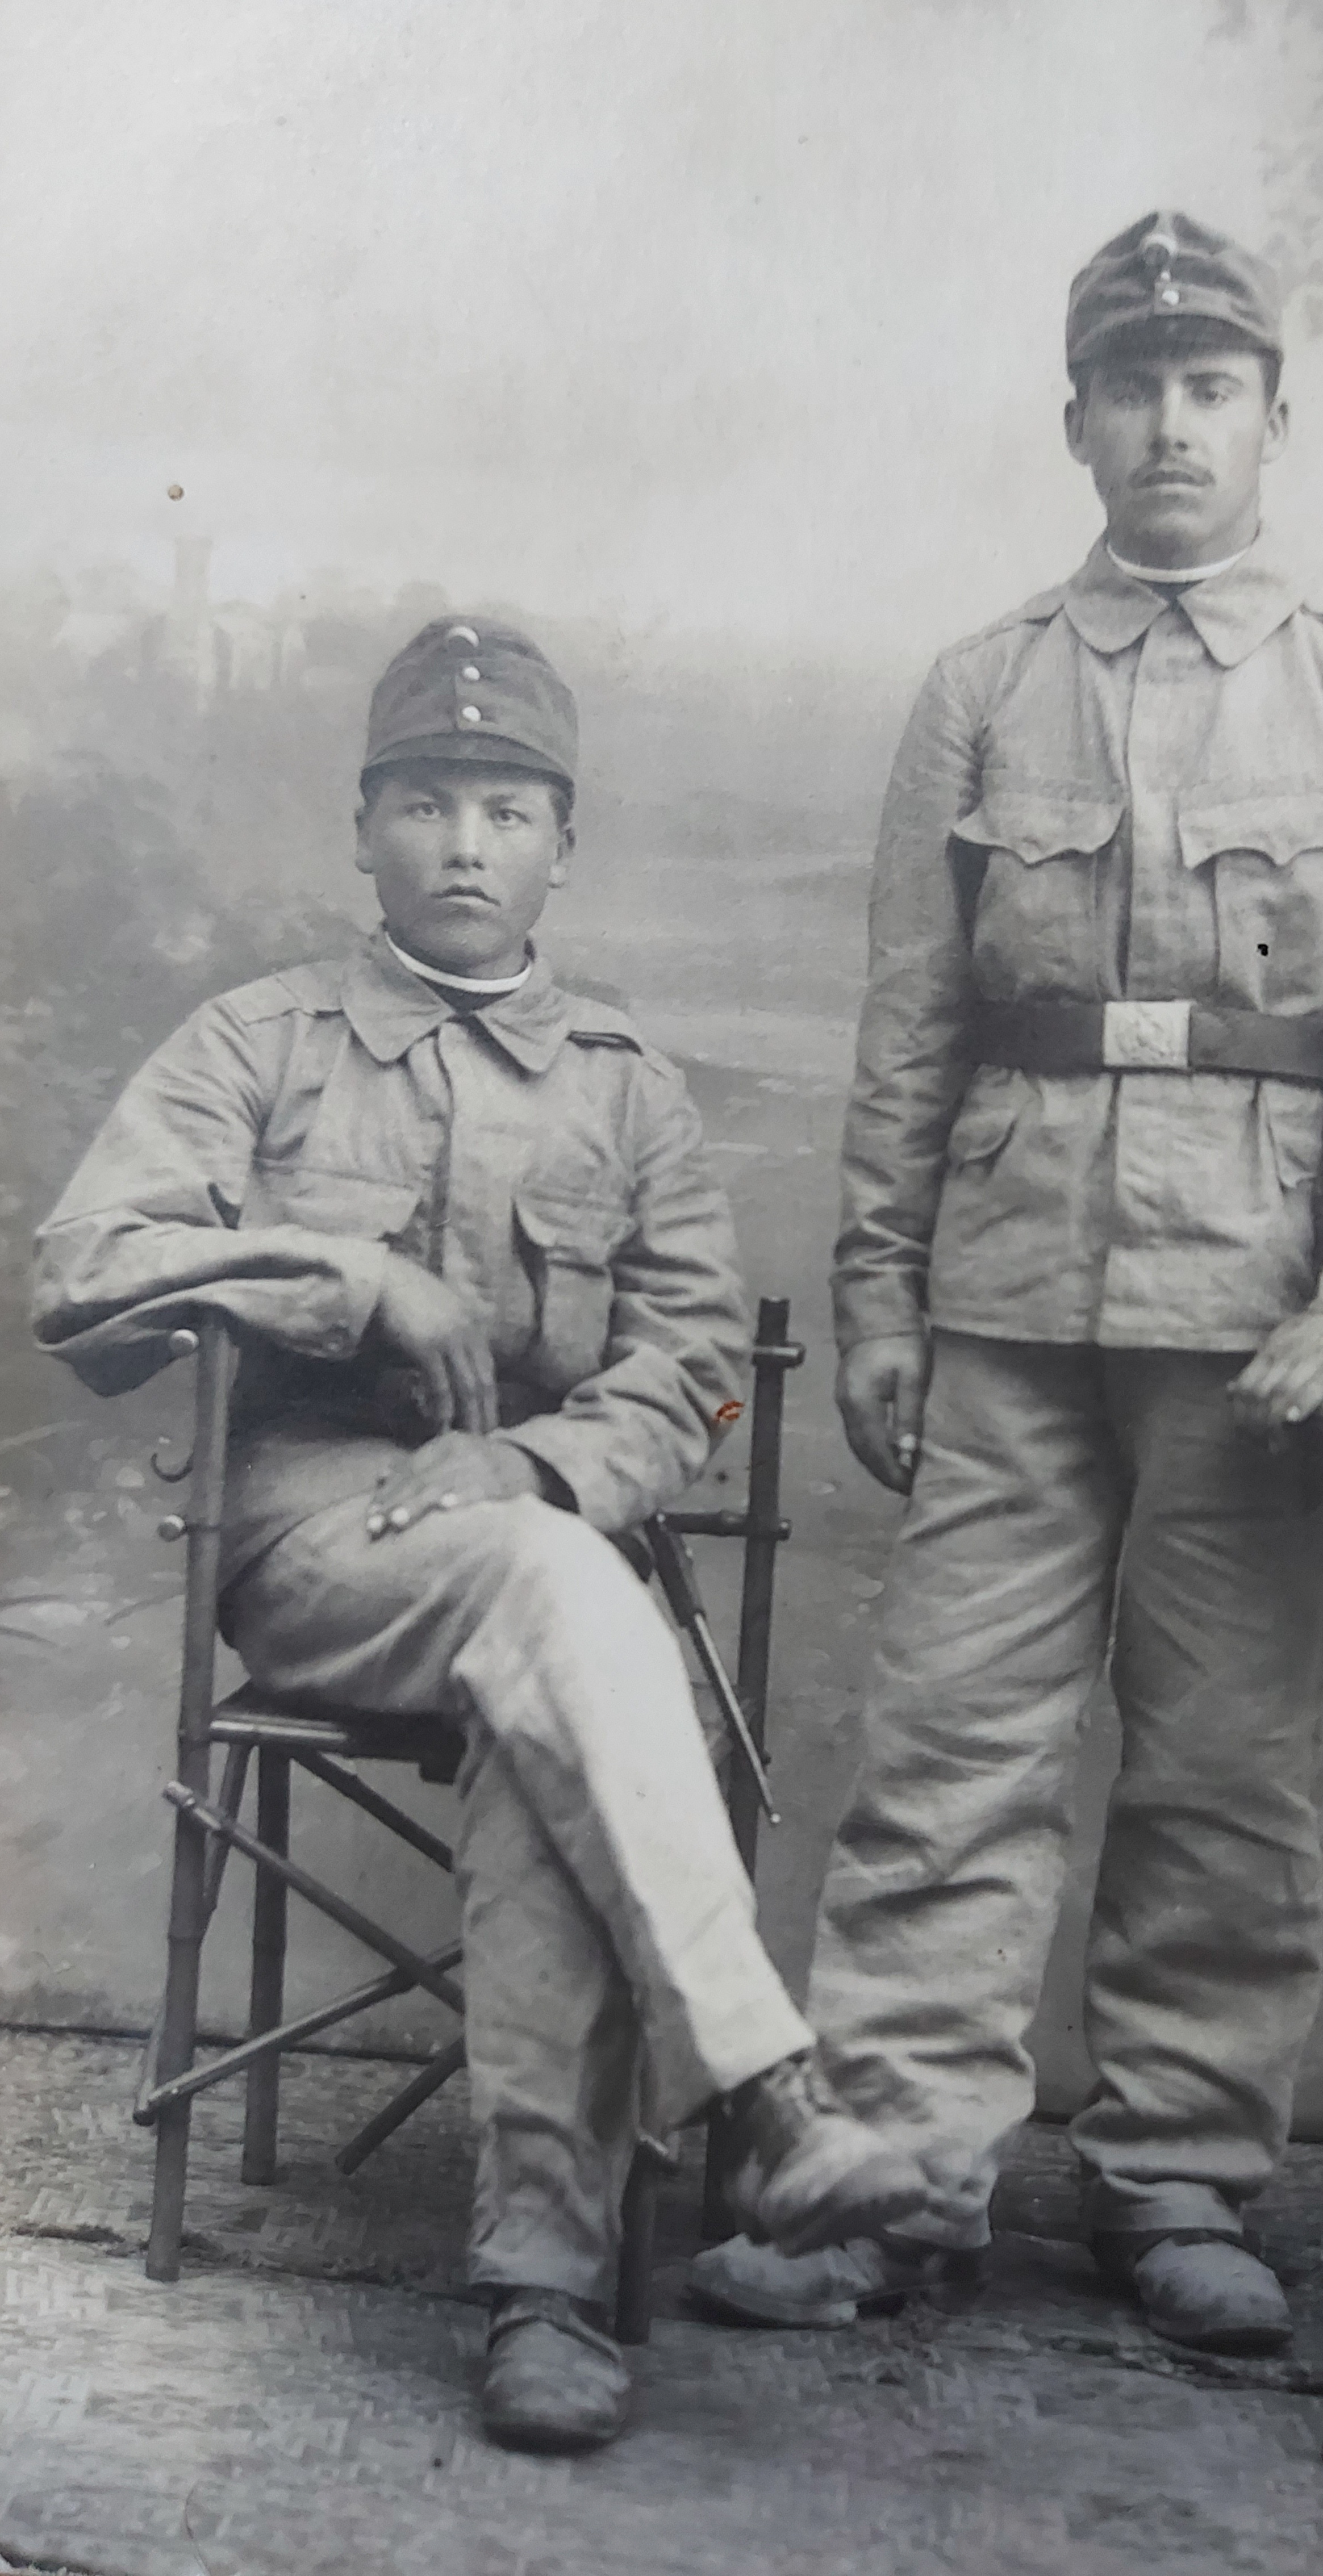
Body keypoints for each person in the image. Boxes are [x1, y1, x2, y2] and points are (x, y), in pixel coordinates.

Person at [689, 212, 1323, 2353]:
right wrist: (879, 1295)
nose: (1171, 425)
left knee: (1222, 1772)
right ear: (1072, 420)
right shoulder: (983, 686)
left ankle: (1178, 2182)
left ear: (1271, 419)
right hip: (1002, 1305)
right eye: (1132, 387)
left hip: (1254, 1325)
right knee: (945, 1755)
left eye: (1209, 388)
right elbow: (910, 1025)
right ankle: (893, 2185)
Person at [32, 616, 931, 2450]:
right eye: (428, 805)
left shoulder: (626, 1085)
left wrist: (538, 1470)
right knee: (565, 1612)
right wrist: (347, 1274)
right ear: (364, 830)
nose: (464, 845)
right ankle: (761, 2097)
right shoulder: (259, 1042)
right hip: (316, 1553)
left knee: (550, 1676)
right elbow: (85, 1278)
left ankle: (544, 2298)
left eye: (507, 811)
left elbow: (697, 1379)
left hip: (541, 1565)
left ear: (561, 848)